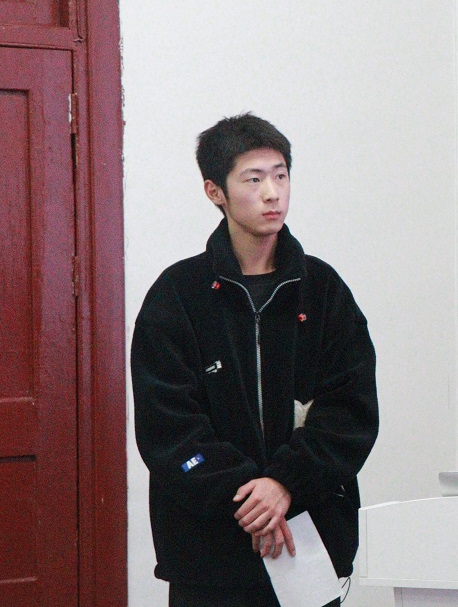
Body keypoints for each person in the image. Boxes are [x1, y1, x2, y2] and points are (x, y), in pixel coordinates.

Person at [131, 113, 380, 606]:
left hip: (307, 541)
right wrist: (251, 496)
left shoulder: (323, 290)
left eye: (281, 175)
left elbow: (351, 411)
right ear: (215, 192)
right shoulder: (177, 295)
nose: (272, 193)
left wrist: (285, 483)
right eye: (254, 179)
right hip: (209, 553)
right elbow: (169, 428)